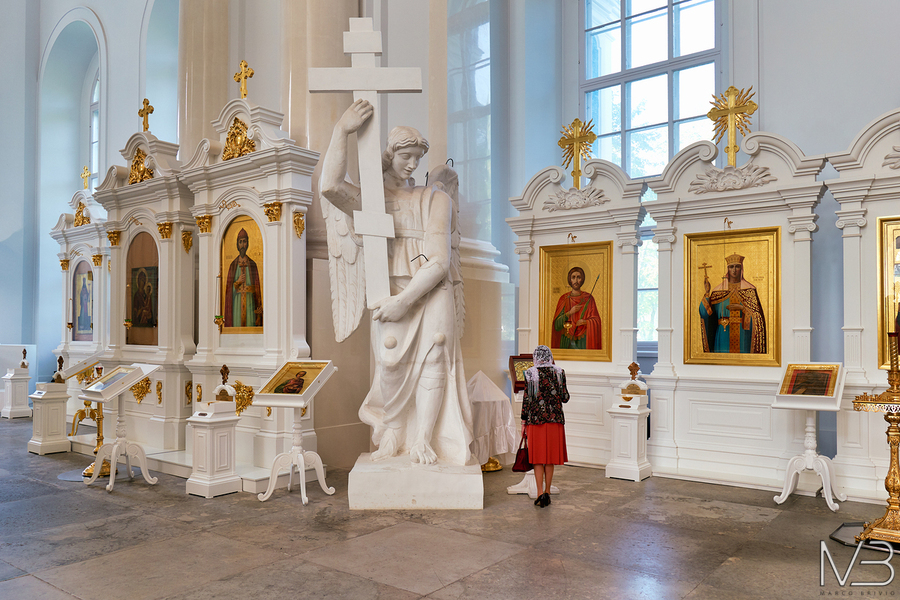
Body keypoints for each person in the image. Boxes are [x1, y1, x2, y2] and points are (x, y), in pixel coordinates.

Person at [319, 98, 473, 465]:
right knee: (390, 361)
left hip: (430, 290)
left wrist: (404, 302)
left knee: (434, 357)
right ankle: (393, 433)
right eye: (406, 156)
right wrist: (342, 130)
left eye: (418, 158)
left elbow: (439, 261)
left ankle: (423, 440)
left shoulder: (435, 198)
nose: (413, 164)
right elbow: (330, 187)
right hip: (388, 288)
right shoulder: (372, 200)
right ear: (390, 154)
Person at [521, 345, 569, 508]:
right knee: (550, 459)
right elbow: (565, 397)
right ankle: (548, 492)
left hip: (536, 420)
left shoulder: (530, 373)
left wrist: (523, 422)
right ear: (550, 356)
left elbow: (527, 400)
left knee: (538, 459)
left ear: (535, 357)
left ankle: (540, 493)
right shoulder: (559, 372)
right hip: (555, 420)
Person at [699, 253, 766, 353]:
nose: (734, 270)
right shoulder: (718, 291)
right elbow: (704, 314)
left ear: (741, 268)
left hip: (743, 336)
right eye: (731, 267)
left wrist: (742, 309)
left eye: (737, 266)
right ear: (727, 269)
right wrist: (707, 293)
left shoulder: (749, 290)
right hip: (723, 334)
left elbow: (758, 318)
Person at [551, 266, 601, 350]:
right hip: (566, 339)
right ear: (569, 280)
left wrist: (585, 322)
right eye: (573, 277)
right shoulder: (564, 299)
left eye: (579, 277)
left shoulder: (589, 298)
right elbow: (556, 325)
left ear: (582, 279)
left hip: (583, 340)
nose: (576, 281)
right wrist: (570, 312)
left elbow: (597, 321)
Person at [224, 228, 263, 328]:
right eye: (240, 242)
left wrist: (259, 309)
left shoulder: (252, 264)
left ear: (247, 243)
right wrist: (237, 282)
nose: (242, 245)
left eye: (244, 241)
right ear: (237, 244)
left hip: (250, 303)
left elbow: (257, 289)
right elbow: (228, 293)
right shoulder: (233, 265)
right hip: (236, 305)